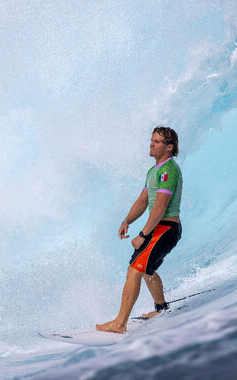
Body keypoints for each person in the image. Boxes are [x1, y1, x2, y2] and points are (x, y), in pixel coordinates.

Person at [96, 126, 183, 334]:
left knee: (135, 269)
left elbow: (160, 207)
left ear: (169, 147)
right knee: (146, 269)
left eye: (157, 141)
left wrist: (143, 234)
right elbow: (143, 201)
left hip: (166, 228)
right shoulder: (153, 170)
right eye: (151, 140)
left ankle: (120, 324)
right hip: (158, 227)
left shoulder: (168, 169)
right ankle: (161, 308)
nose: (151, 144)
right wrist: (127, 220)